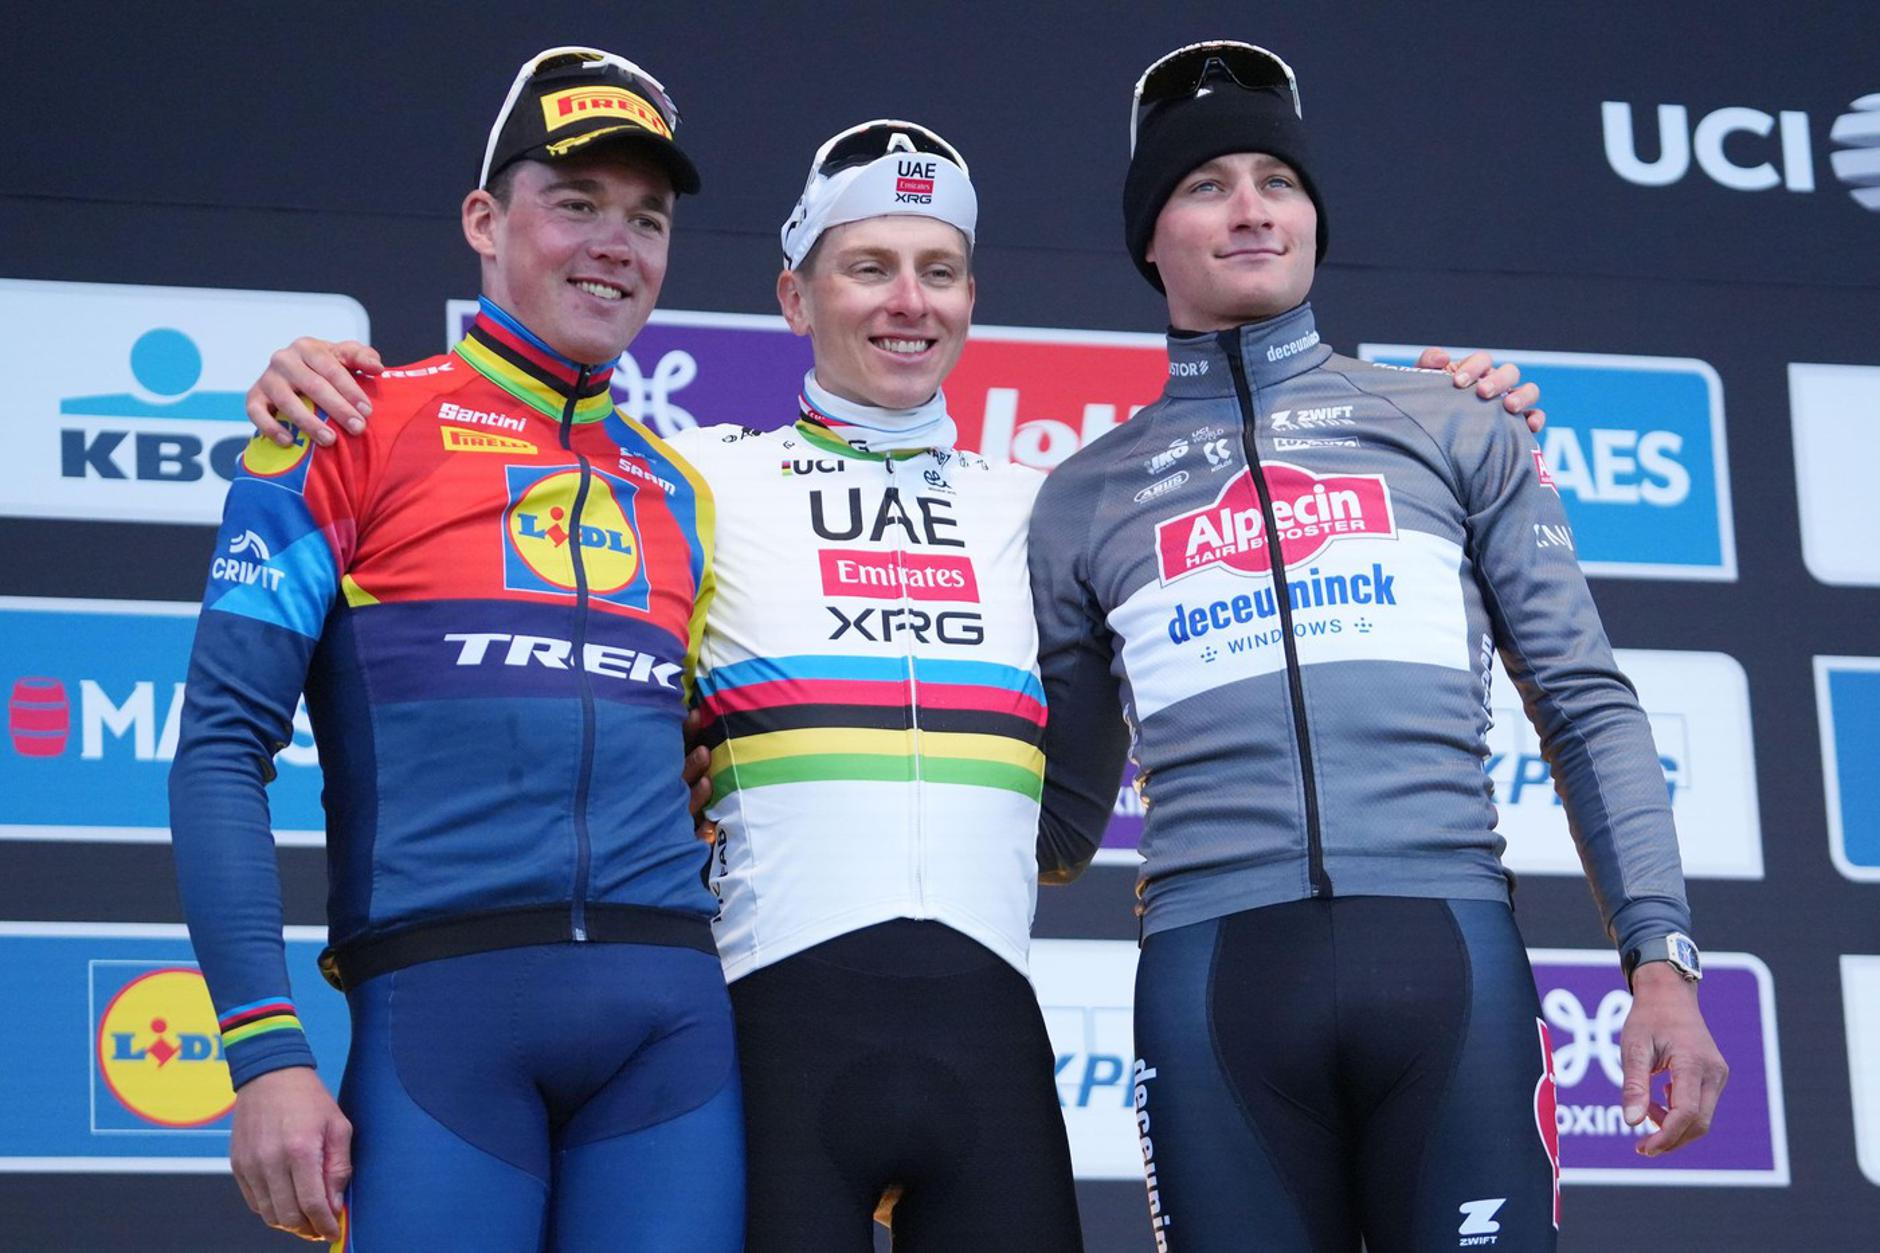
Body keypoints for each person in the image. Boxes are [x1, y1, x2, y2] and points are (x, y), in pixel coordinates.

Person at [244, 122, 1543, 1253]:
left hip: (989, 1046)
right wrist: (314, 377)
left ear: (973, 296)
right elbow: (556, 590)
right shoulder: (690, 477)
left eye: (938, 270)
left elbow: (1084, 793)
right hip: (766, 1036)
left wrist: (1453, 406)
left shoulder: (1048, 506)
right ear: (793, 296)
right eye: (867, 267)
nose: (907, 302)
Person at [1029, 41, 1729, 1252]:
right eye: (1204, 185)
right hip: (1212, 983)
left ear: (1312, 214)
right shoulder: (1082, 497)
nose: (1251, 209)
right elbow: (1053, 825)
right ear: (1148, 237)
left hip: (1445, 958)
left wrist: (1658, 962)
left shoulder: (1452, 420)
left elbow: (1584, 704)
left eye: (1276, 180)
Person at [168, 47, 743, 1249]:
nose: (615, 244)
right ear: (484, 220)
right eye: (576, 203)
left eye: (646, 219)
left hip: (671, 1026)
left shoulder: (682, 489)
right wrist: (265, 1052)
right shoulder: (342, 424)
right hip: (441, 1012)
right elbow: (220, 748)